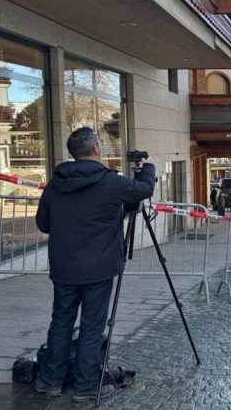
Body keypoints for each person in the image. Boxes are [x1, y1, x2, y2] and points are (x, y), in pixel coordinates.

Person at [34, 127, 156, 403]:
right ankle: (86, 386)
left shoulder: (55, 184)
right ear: (97, 149)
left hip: (64, 267)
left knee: (61, 322)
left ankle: (51, 381)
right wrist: (147, 168)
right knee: (91, 326)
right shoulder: (109, 182)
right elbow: (144, 190)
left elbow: (43, 224)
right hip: (99, 269)